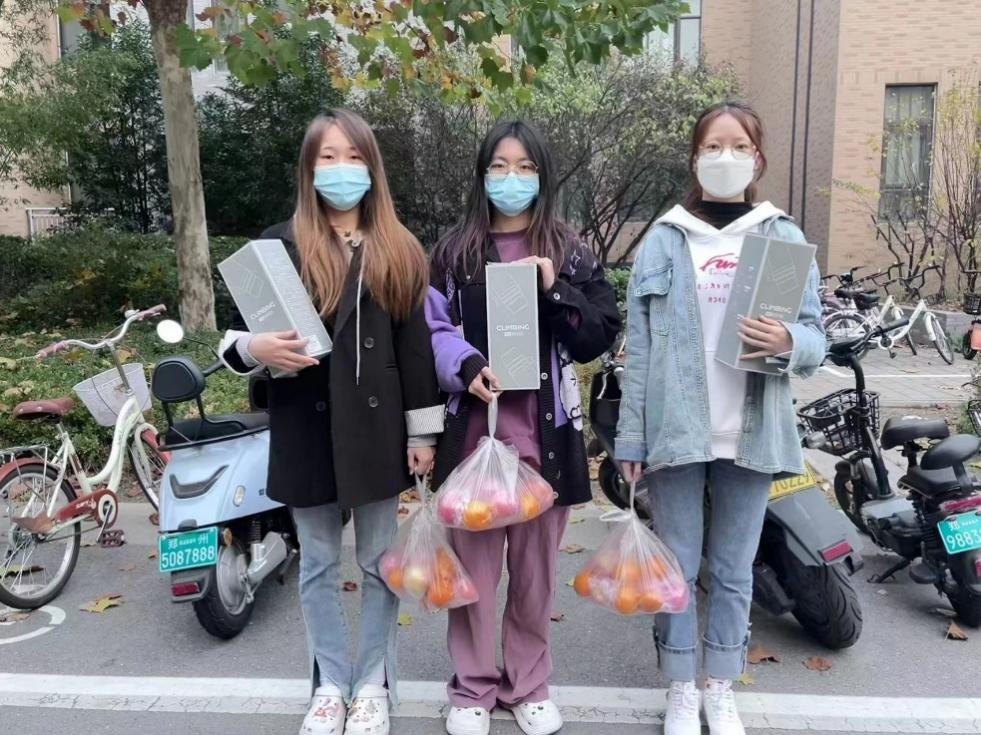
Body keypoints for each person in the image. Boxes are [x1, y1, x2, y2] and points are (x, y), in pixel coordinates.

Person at [219, 109, 443, 735]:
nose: (342, 169)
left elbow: (416, 350)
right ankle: (328, 683)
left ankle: (372, 683)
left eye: (354, 157)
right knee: (317, 562)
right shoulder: (278, 246)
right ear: (308, 169)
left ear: (373, 168)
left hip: (377, 432)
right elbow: (233, 337)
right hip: (305, 427)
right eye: (328, 157)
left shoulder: (400, 248)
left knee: (377, 563)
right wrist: (254, 347)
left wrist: (423, 432)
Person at [614, 101, 825, 735]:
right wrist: (630, 437)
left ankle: (720, 684)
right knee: (677, 565)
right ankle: (681, 684)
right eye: (712, 146)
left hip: (751, 429)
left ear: (757, 159)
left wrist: (788, 341)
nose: (724, 157)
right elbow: (639, 349)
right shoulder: (666, 237)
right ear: (695, 158)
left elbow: (814, 337)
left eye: (738, 146)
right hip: (677, 429)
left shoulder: (780, 237)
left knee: (734, 570)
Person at [427, 120, 621, 735]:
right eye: (500, 166)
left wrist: (555, 289)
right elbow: (432, 330)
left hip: (546, 441)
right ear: (482, 174)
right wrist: (465, 366)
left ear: (543, 176)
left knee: (535, 578)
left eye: (525, 167)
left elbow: (598, 333)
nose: (512, 179)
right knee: (475, 576)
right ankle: (472, 688)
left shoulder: (569, 249)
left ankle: (528, 683)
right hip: (475, 442)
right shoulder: (454, 253)